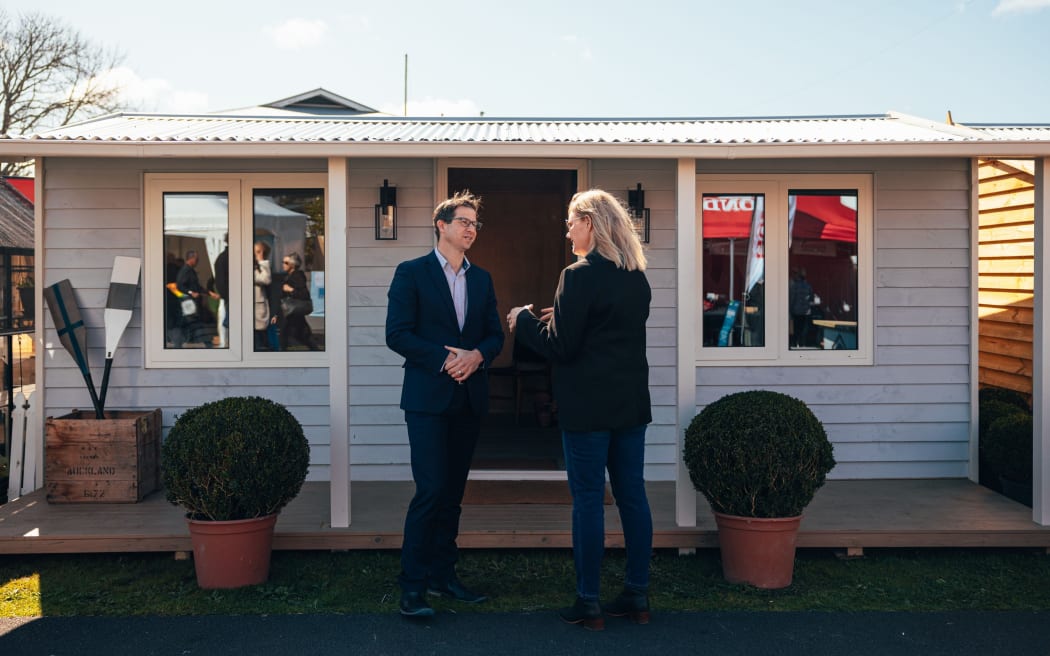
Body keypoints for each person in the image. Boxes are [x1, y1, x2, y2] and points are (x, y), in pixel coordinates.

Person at [507, 189, 653, 631]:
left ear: (590, 222)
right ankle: (637, 595)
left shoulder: (577, 275)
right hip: (629, 406)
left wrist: (524, 322)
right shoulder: (636, 277)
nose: (567, 228)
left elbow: (562, 347)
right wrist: (563, 317)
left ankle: (588, 602)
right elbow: (604, 332)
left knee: (588, 500)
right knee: (632, 497)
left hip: (587, 410)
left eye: (571, 221)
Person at [385, 190, 505, 618]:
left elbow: (495, 335)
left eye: (475, 223)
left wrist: (476, 357)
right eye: (463, 221)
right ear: (442, 225)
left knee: (452, 495)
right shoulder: (411, 273)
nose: (470, 228)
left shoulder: (482, 279)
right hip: (427, 399)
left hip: (468, 398)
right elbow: (396, 334)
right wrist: (446, 359)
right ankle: (412, 587)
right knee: (431, 490)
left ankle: (443, 576)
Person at [277, 252, 319, 351]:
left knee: (286, 333)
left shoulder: (297, 276)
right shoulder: (289, 275)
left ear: (292, 265)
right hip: (293, 312)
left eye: (286, 263)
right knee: (303, 334)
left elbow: (304, 294)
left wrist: (290, 290)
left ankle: (280, 353)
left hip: (294, 310)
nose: (283, 264)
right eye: (283, 262)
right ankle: (316, 350)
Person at [173, 250, 215, 348]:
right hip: (189, 303)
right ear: (191, 259)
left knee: (190, 324)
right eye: (197, 259)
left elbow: (197, 286)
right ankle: (207, 343)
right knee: (193, 323)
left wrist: (209, 293)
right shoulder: (185, 270)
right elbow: (180, 286)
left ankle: (180, 343)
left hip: (193, 303)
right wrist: (191, 292)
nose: (198, 261)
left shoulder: (191, 270)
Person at [253, 241, 273, 351]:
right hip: (254, 307)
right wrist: (262, 262)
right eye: (257, 252)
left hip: (258, 306)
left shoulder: (260, 265)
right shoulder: (253, 266)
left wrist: (261, 261)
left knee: (261, 338)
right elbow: (265, 279)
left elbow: (266, 279)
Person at [789, 268, 814, 348]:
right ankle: (802, 343)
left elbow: (792, 298)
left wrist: (790, 309)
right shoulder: (808, 286)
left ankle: (795, 343)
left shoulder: (795, 286)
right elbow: (812, 298)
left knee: (796, 328)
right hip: (806, 311)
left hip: (796, 311)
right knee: (803, 328)